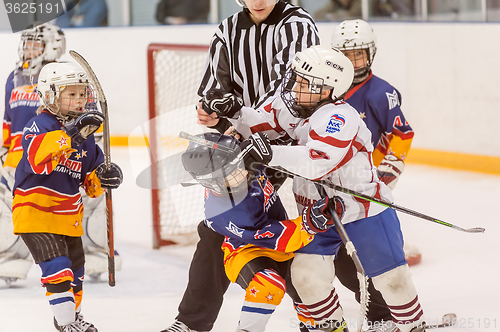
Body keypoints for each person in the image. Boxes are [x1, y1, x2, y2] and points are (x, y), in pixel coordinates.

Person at [227, 44, 427, 332]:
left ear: (328, 90)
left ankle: (411, 325)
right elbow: (260, 123)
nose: (295, 87)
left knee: (390, 278)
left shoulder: (340, 117)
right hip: (318, 214)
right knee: (306, 276)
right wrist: (235, 112)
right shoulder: (295, 104)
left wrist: (271, 153)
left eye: (305, 83)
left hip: (363, 210)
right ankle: (333, 327)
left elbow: (317, 162)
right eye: (295, 79)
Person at [162, 1, 320, 331]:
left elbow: (291, 94)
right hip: (247, 146)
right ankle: (191, 323)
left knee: (327, 218)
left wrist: (240, 118)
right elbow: (211, 90)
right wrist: (212, 110)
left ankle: (377, 310)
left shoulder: (298, 25)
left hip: (298, 142)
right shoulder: (228, 29)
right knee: (218, 230)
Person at [180, 132, 347, 332]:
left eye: (238, 163)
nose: (242, 172)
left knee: (310, 292)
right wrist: (310, 222)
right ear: (213, 182)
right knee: (268, 284)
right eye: (232, 173)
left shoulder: (238, 170)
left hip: (280, 245)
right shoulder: (231, 212)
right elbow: (276, 238)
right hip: (246, 250)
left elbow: (261, 147)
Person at [0, 22, 121, 286]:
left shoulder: (64, 79)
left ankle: (95, 248)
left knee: (84, 201)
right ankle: (10, 255)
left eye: (35, 43)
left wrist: (84, 139)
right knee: (12, 207)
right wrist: (5, 147)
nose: (28, 49)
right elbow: (9, 118)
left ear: (52, 46)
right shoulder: (14, 77)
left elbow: (80, 117)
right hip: (23, 156)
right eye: (27, 43)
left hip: (63, 152)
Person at [12, 61, 123, 332]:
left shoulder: (87, 140)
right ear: (50, 95)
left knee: (75, 274)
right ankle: (66, 323)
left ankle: (72, 319)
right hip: (34, 213)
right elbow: (36, 161)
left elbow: (91, 183)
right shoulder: (39, 124)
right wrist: (70, 136)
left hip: (68, 218)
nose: (79, 100)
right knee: (58, 267)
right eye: (71, 94)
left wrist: (106, 176)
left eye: (82, 94)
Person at [330, 19, 418, 330]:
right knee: (340, 259)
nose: (354, 61)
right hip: (332, 187)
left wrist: (387, 173)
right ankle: (381, 313)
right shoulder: (327, 88)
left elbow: (402, 134)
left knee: (373, 256)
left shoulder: (382, 93)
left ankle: (387, 314)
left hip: (366, 187)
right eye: (347, 54)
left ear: (371, 54)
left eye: (359, 54)